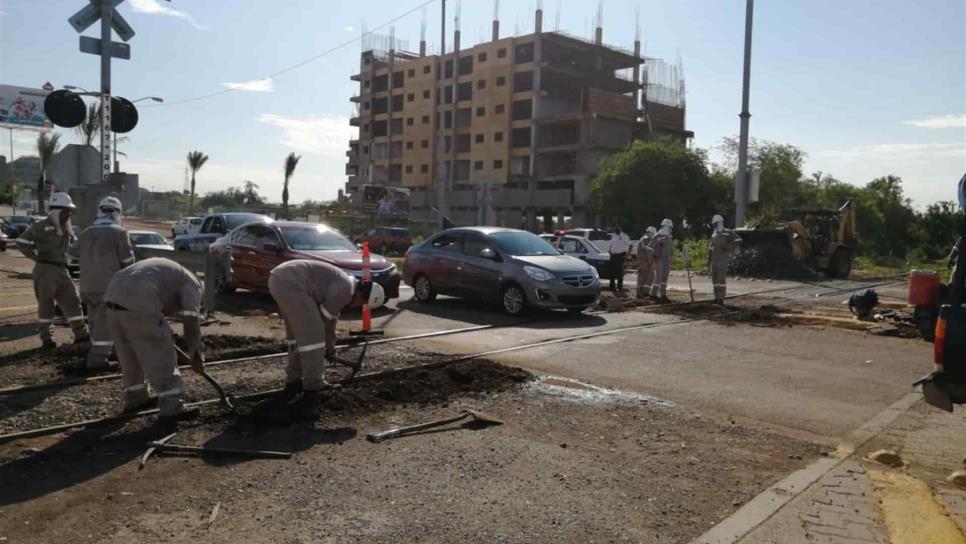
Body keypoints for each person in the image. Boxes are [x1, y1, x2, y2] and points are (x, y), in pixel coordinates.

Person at [268, 260, 386, 418]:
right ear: (361, 293)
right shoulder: (345, 289)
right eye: (361, 302)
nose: (357, 305)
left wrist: (330, 348)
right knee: (313, 337)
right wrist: (325, 348)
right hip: (292, 282)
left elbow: (330, 321)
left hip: (279, 278)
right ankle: (314, 384)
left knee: (297, 337)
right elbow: (322, 324)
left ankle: (294, 380)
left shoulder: (342, 283)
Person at [104, 257, 205, 426]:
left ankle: (136, 397)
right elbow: (191, 322)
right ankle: (173, 407)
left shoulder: (169, 273)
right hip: (140, 299)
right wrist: (196, 354)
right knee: (162, 357)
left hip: (113, 300)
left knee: (130, 355)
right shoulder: (193, 285)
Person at [16, 192, 89, 348]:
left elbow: (74, 248)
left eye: (70, 211)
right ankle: (47, 339)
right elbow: (21, 241)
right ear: (58, 210)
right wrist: (36, 256)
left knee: (72, 301)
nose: (70, 214)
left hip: (62, 270)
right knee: (46, 304)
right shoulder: (40, 227)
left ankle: (81, 334)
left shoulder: (67, 229)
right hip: (45, 270)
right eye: (67, 211)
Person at [75, 196, 136, 370]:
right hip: (108, 288)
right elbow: (127, 261)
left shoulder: (87, 232)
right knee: (106, 325)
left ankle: (104, 351)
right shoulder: (119, 232)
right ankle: (97, 360)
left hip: (87, 287)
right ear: (118, 212)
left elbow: (72, 251)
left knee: (94, 322)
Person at [708, 214, 742, 304]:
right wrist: (709, 261)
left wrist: (730, 247)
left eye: (715, 223)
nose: (714, 225)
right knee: (715, 280)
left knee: (721, 279)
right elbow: (710, 247)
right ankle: (716, 297)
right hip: (714, 260)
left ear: (719, 223)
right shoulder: (714, 234)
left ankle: (721, 298)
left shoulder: (728, 232)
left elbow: (738, 240)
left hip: (723, 260)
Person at [649, 219, 674, 302]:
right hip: (659, 260)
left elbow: (670, 249)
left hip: (667, 260)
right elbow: (650, 248)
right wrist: (653, 257)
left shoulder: (669, 237)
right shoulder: (657, 236)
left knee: (664, 278)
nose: (670, 229)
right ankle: (653, 294)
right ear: (665, 226)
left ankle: (663, 294)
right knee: (658, 278)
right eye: (669, 227)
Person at [608, 226, 631, 293]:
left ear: (620, 230)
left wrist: (627, 254)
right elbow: (611, 244)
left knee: (619, 273)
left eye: (617, 230)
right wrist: (609, 251)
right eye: (615, 230)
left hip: (620, 256)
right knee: (611, 272)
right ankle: (612, 287)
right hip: (613, 256)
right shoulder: (613, 235)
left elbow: (630, 245)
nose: (616, 231)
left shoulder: (624, 236)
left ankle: (619, 287)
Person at [636, 227, 656, 298]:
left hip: (641, 262)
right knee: (650, 277)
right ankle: (646, 292)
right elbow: (648, 251)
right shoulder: (648, 240)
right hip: (647, 262)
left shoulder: (641, 239)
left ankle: (639, 292)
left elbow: (638, 252)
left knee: (641, 277)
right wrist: (651, 262)